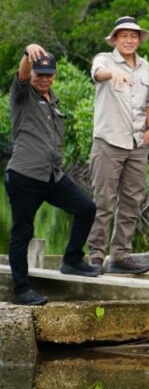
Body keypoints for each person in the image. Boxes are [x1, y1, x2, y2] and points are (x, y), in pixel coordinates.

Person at [6, 45, 100, 306]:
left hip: (51, 176)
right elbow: (22, 75)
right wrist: (27, 53)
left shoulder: (53, 99)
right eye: (39, 74)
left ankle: (71, 260)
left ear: (54, 75)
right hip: (25, 175)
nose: (43, 78)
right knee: (22, 232)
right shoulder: (22, 96)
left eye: (48, 74)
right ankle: (22, 289)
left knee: (86, 208)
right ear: (32, 74)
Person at [86, 17, 149, 274]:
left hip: (137, 143)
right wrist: (113, 73)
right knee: (103, 201)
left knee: (132, 201)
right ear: (114, 39)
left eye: (133, 36)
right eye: (123, 35)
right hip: (108, 141)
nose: (129, 40)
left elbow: (148, 100)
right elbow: (97, 73)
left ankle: (121, 255)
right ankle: (95, 255)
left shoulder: (145, 65)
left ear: (139, 39)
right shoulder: (104, 59)